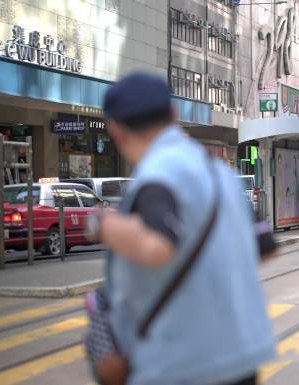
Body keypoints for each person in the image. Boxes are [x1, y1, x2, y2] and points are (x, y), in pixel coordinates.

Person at [88, 73, 274, 385]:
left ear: (116, 130)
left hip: (180, 365)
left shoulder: (159, 176)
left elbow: (158, 246)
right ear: (174, 116)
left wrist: (103, 225)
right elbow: (263, 248)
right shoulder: (219, 174)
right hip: (240, 357)